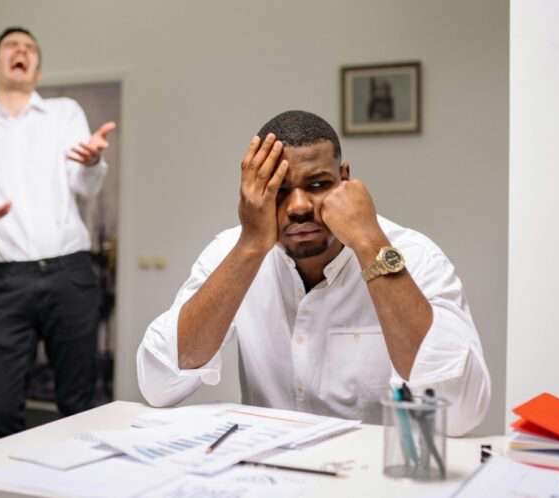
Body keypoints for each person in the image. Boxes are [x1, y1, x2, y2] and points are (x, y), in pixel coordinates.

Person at [136, 110, 491, 436]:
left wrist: (369, 244)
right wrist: (250, 246)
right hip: (267, 469)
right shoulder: (235, 250)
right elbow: (158, 383)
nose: (299, 206)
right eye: (279, 190)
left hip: (374, 474)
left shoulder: (414, 255)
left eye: (318, 185)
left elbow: (460, 412)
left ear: (345, 180)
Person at [0, 27, 116, 440]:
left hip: (70, 274)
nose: (21, 51)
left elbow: (85, 186)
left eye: (30, 48)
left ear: (37, 71)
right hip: (8, 282)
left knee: (79, 407)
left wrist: (92, 163)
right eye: (12, 45)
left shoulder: (65, 113)